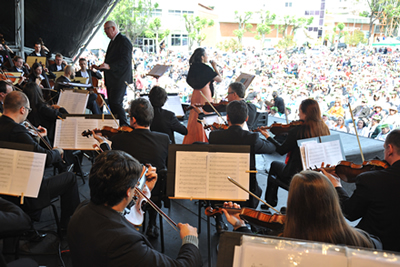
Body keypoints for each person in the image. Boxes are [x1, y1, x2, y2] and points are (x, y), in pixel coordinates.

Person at [68, 150, 202, 267]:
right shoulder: (124, 243)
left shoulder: (83, 208)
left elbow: (119, 210)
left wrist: (146, 191)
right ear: (128, 191)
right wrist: (190, 239)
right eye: (135, 185)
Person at [222, 171, 378, 249]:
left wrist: (240, 226)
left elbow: (253, 253)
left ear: (293, 203)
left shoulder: (279, 241)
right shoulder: (365, 241)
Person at [0, 91, 80, 227]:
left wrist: (42, 138)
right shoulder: (17, 131)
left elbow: (31, 149)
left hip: (4, 189)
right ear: (22, 110)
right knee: (70, 178)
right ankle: (69, 226)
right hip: (25, 191)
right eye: (28, 110)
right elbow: (44, 157)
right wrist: (57, 151)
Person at [94, 98, 170, 239]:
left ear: (133, 120)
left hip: (129, 192)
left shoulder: (119, 140)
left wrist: (103, 144)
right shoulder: (164, 139)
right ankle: (152, 223)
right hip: (156, 191)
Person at [322, 129, 400, 252]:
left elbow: (350, 212)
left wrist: (336, 185)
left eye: (384, 148)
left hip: (374, 247)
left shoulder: (372, 179)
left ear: (390, 149)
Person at [208, 100, 275, 232]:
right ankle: (245, 219)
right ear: (246, 118)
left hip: (220, 184)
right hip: (245, 188)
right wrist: (266, 136)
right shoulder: (252, 138)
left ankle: (219, 221)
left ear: (227, 117)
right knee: (257, 191)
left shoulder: (214, 135)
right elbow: (271, 148)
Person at [259, 99, 330, 208]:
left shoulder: (298, 130)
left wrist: (268, 136)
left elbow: (281, 150)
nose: (298, 114)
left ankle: (270, 202)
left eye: (300, 111)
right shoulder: (324, 128)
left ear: (306, 113)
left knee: (274, 165)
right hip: (316, 173)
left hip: (296, 174)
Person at [92, 21, 132, 126]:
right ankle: (118, 126)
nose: (105, 32)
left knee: (116, 103)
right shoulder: (113, 41)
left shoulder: (124, 41)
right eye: (104, 30)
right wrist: (101, 67)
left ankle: (124, 126)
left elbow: (125, 61)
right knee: (112, 104)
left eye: (106, 29)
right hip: (112, 79)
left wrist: (109, 66)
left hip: (119, 79)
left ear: (113, 28)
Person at [183, 47, 222, 144]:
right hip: (205, 93)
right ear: (202, 57)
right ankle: (204, 139)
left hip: (196, 93)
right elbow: (219, 79)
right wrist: (215, 67)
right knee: (206, 115)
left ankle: (193, 139)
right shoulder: (206, 68)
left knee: (194, 115)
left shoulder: (193, 67)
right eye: (206, 55)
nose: (207, 57)